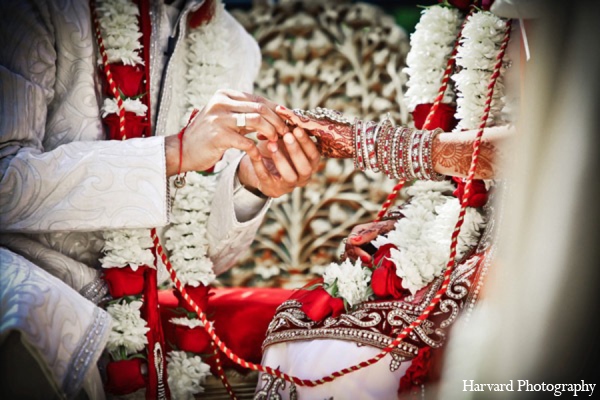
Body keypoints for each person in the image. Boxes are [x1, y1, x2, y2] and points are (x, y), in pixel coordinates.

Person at [0, 0, 319, 398]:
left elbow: (195, 259)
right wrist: (173, 153)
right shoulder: (39, 10)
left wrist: (251, 185)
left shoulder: (234, 46)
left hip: (141, 329)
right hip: (28, 303)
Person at [255, 0, 521, 398]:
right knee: (298, 330)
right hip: (473, 228)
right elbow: (468, 163)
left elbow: (534, 148)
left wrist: (360, 142)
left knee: (342, 359)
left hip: (535, 237)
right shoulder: (469, 13)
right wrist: (411, 224)